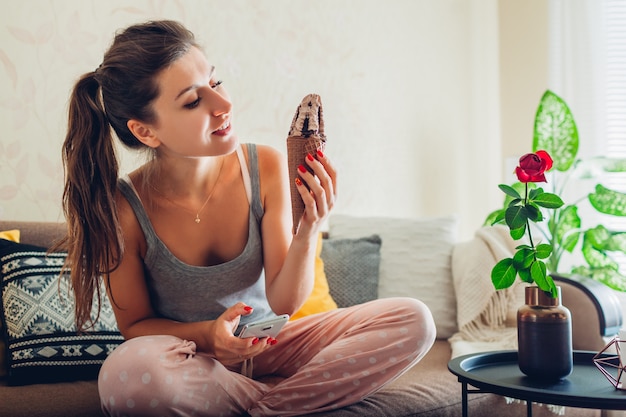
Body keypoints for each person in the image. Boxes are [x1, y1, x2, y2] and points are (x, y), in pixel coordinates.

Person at [61, 20, 436, 417]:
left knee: (414, 320)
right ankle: (287, 403)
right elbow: (135, 326)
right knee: (127, 374)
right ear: (146, 131)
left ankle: (263, 408)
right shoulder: (123, 209)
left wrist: (308, 229)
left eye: (216, 82)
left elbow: (283, 302)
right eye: (192, 101)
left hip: (273, 344)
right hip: (192, 360)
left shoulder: (266, 167)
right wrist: (209, 336)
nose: (223, 105)